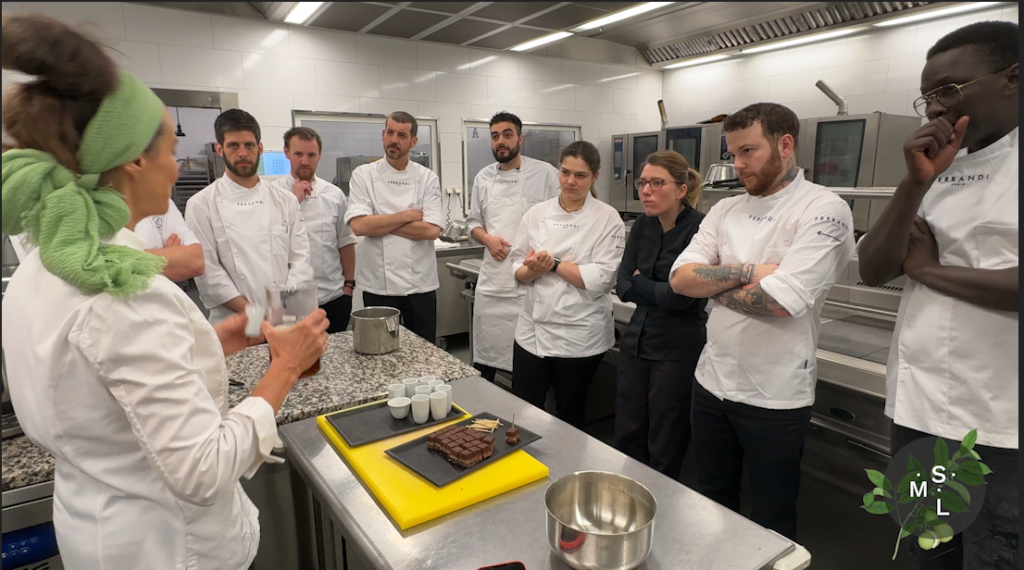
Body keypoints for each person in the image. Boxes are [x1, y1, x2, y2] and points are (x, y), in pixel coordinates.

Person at [0, 13, 328, 570]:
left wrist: (221, 336)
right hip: (169, 548)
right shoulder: (119, 294)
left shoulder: (41, 270)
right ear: (133, 159)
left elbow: (111, 387)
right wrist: (286, 369)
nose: (176, 166)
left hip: (98, 526)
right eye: (168, 151)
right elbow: (202, 470)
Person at [856, 21, 1018, 568]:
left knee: (995, 559)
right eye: (927, 96)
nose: (933, 109)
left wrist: (926, 271)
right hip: (924, 415)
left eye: (948, 90)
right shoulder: (936, 168)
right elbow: (874, 268)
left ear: (1012, 79)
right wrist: (914, 183)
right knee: (929, 550)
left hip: (1004, 426)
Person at [669, 102, 855, 540]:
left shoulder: (824, 209)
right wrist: (757, 272)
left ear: (784, 145)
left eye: (747, 152)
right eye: (732, 153)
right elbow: (679, 279)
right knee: (712, 497)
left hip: (774, 395)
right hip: (711, 382)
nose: (737, 165)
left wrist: (713, 284)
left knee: (772, 513)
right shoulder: (725, 209)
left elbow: (779, 301)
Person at [510, 140, 625, 429]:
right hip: (532, 332)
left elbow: (600, 279)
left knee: (569, 414)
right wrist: (533, 270)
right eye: (565, 172)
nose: (570, 181)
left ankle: (567, 470)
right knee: (523, 409)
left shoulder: (607, 218)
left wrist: (554, 264)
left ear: (595, 177)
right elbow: (517, 268)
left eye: (580, 175)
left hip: (579, 336)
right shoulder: (536, 214)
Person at [613, 150, 707, 479]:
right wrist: (657, 289)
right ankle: (628, 501)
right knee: (628, 431)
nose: (646, 191)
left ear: (681, 189)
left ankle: (659, 510)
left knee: (665, 440)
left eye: (656, 183)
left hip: (677, 350)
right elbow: (622, 284)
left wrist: (643, 283)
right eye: (642, 183)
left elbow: (682, 300)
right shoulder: (643, 225)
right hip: (636, 342)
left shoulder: (700, 229)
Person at [185, 109, 313, 324]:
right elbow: (209, 273)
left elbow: (301, 259)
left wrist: (284, 311)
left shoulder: (285, 200)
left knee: (294, 357)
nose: (242, 153)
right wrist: (256, 316)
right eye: (233, 145)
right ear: (219, 149)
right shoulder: (201, 205)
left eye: (249, 145)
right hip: (235, 320)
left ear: (260, 148)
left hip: (288, 314)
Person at [466, 111, 560, 382]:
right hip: (493, 281)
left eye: (507, 135)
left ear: (520, 138)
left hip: (528, 281)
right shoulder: (483, 178)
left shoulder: (545, 174)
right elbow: (473, 221)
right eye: (495, 136)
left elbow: (562, 215)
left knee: (525, 362)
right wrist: (487, 239)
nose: (501, 141)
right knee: (486, 362)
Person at [345, 111, 444, 342]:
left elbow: (431, 230)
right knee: (379, 352)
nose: (394, 140)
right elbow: (359, 226)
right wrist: (409, 215)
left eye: (401, 135)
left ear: (413, 141)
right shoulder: (364, 175)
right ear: (383, 134)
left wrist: (378, 221)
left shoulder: (427, 178)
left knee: (424, 352)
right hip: (378, 284)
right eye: (390, 132)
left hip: (420, 284)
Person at [273, 126, 357, 334]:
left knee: (336, 359)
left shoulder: (334, 195)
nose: (304, 161)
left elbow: (345, 242)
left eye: (311, 155)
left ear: (319, 155)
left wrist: (349, 286)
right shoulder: (273, 194)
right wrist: (293, 201)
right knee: (295, 361)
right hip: (290, 298)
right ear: (286, 153)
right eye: (298, 154)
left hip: (333, 295)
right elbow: (268, 243)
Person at [9, 198, 205, 283]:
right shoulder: (46, 214)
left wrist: (108, 258)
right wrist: (165, 258)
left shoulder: (159, 200)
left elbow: (194, 261)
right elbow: (79, 271)